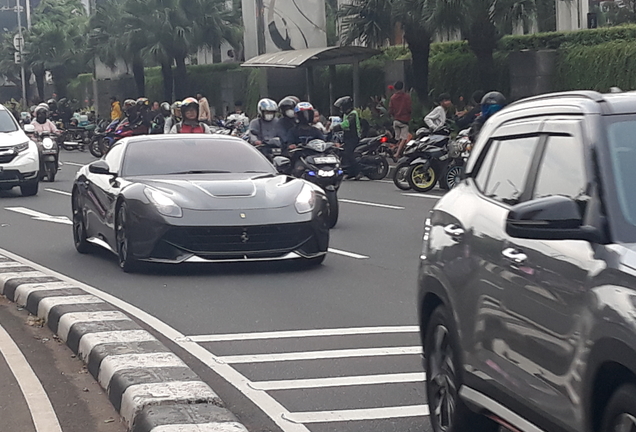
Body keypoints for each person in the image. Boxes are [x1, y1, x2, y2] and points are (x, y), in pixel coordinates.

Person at [333, 96, 361, 177]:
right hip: (347, 137)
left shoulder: (353, 114)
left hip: (354, 137)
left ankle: (358, 171)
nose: (341, 108)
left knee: (348, 153)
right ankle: (351, 172)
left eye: (342, 106)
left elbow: (347, 124)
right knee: (343, 153)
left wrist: (336, 127)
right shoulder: (346, 114)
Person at [389, 81, 412, 157]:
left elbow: (391, 110)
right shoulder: (406, 97)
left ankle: (393, 149)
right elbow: (409, 108)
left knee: (398, 139)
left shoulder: (392, 98)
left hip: (396, 120)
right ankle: (397, 153)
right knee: (404, 139)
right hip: (404, 120)